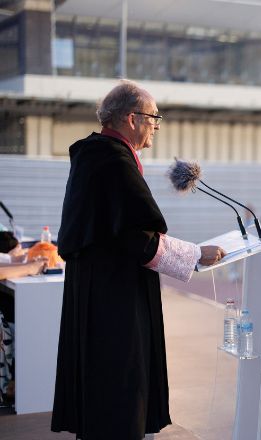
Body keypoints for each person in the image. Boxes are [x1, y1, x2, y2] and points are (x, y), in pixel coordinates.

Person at [51, 80, 226, 440]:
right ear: (132, 118)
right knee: (120, 385)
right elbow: (134, 237)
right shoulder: (113, 160)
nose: (157, 126)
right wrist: (195, 254)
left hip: (98, 288)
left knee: (104, 386)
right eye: (154, 117)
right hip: (114, 297)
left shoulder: (96, 155)